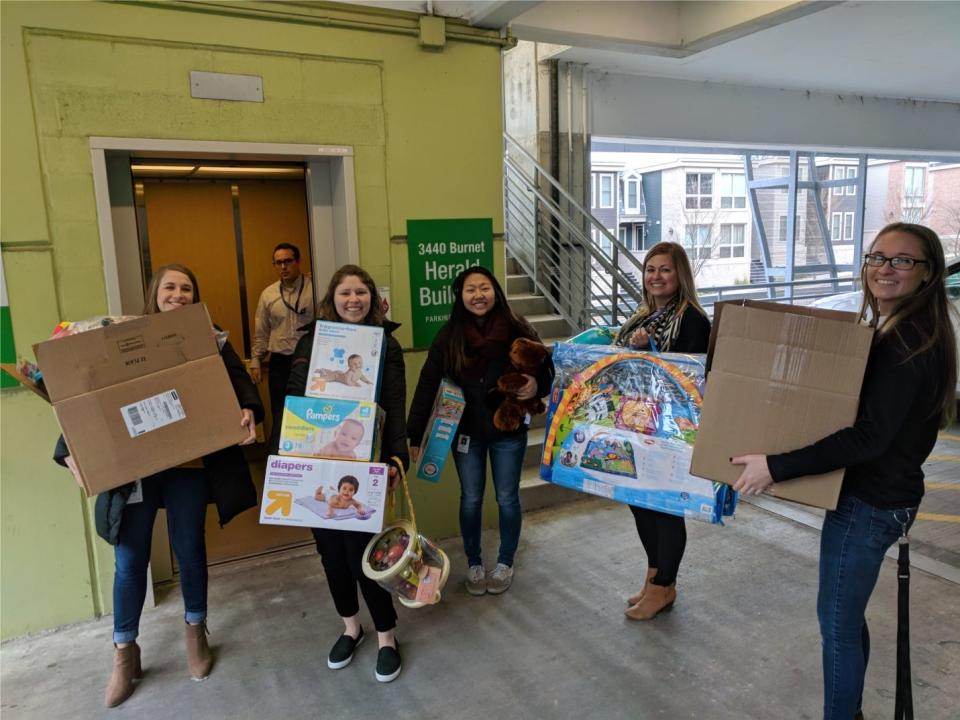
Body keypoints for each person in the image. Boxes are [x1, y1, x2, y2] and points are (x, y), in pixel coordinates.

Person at [731, 223, 957, 720]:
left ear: (927, 274)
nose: (885, 268)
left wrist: (776, 465)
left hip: (869, 504)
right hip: (879, 499)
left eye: (902, 260)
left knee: (836, 625)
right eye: (877, 257)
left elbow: (868, 438)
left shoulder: (907, 343)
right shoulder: (899, 328)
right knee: (845, 619)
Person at [53, 263, 263, 708]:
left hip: (188, 465)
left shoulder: (209, 335)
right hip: (136, 470)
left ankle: (195, 632)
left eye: (187, 288)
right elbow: (89, 395)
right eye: (170, 286)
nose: (178, 294)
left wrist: (248, 407)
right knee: (130, 560)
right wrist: (68, 448)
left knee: (189, 549)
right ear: (155, 292)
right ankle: (124, 653)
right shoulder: (125, 338)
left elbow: (240, 379)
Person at [282, 264, 408, 683]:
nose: (353, 300)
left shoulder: (385, 346)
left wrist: (395, 457)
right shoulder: (312, 340)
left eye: (361, 293)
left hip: (365, 463)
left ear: (373, 297)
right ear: (331, 300)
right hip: (317, 458)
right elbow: (295, 396)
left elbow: (395, 400)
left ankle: (386, 634)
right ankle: (351, 627)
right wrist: (286, 457)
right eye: (345, 294)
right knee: (330, 554)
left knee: (363, 554)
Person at [407, 266, 555, 596]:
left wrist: (536, 387)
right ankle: (474, 562)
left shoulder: (517, 325)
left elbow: (545, 366)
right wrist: (415, 433)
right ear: (460, 296)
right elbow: (428, 382)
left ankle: (505, 562)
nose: (478, 295)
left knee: (506, 498)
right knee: (471, 499)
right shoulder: (449, 335)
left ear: (495, 291)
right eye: (470, 289)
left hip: (508, 430)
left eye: (484, 288)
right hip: (465, 433)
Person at [614, 241, 711, 621]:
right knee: (640, 502)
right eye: (650, 269)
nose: (656, 276)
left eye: (665, 269)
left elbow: (686, 379)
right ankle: (655, 578)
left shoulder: (692, 320)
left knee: (665, 508)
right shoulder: (642, 316)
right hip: (637, 425)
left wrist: (649, 350)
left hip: (672, 431)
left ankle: (664, 586)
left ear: (680, 274)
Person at [251, 243, 315, 442]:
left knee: (310, 409)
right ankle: (281, 456)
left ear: (298, 262)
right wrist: (256, 360)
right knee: (280, 410)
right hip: (280, 361)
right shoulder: (268, 294)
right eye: (278, 263)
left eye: (288, 261)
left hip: (309, 359)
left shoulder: (315, 287)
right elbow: (261, 329)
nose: (283, 267)